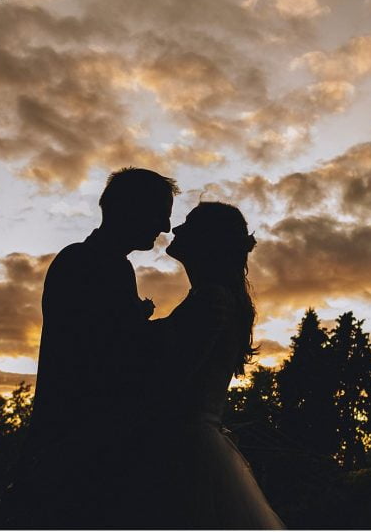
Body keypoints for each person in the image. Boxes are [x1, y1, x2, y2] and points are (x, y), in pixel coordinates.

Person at [11, 167, 178, 528]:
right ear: (131, 208)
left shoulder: (103, 263)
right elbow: (109, 359)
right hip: (81, 446)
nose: (166, 226)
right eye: (160, 212)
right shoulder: (89, 263)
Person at [150, 201, 285, 529]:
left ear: (208, 242)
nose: (177, 230)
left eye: (189, 224)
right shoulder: (214, 298)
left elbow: (169, 380)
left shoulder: (211, 300)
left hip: (181, 451)